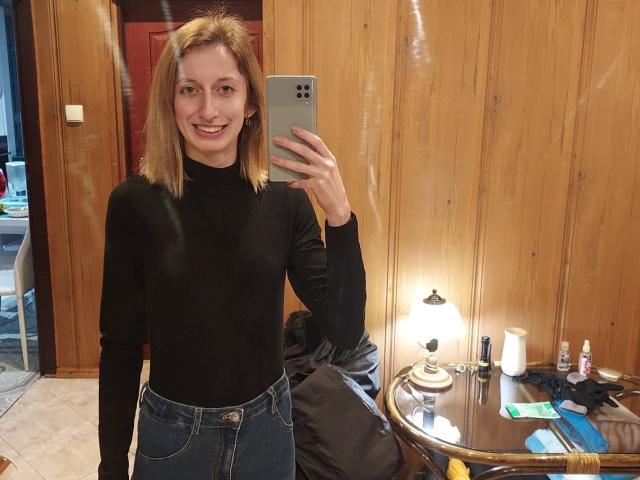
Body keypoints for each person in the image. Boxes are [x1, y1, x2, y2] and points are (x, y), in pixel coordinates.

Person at [98, 8, 366, 480]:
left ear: (251, 104)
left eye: (225, 88)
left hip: (267, 430)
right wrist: (112, 465)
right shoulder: (133, 204)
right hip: (173, 434)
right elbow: (120, 345)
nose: (208, 110)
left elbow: (345, 330)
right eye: (189, 90)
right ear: (170, 102)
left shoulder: (286, 200)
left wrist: (340, 217)